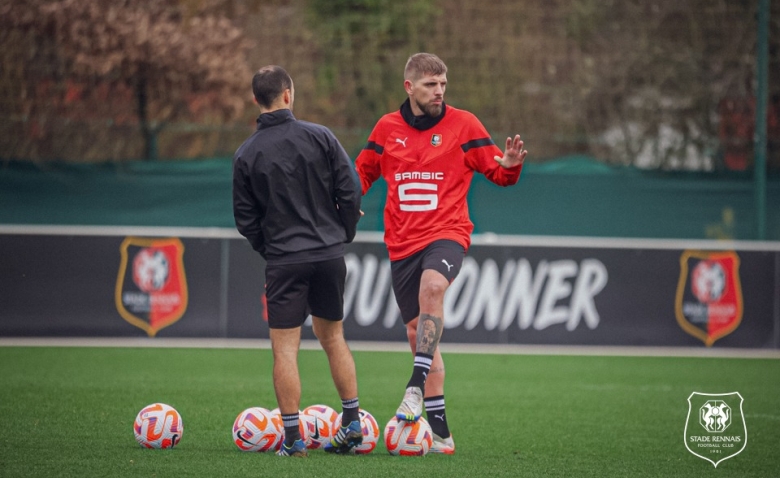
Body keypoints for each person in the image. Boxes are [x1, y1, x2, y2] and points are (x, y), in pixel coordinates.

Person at [354, 53, 527, 455]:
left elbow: (498, 173)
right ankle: (442, 436)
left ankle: (413, 388)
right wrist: (346, 202)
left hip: (447, 234)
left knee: (434, 288)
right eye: (431, 85)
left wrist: (513, 166)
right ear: (409, 87)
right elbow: (362, 172)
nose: (439, 91)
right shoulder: (387, 128)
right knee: (418, 337)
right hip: (401, 245)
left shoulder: (464, 124)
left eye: (443, 84)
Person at [233, 65, 363, 457]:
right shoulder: (320, 135)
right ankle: (352, 424)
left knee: (285, 350)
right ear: (288, 94)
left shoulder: (246, 154)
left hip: (285, 260)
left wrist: (271, 249)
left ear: (257, 101)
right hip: (328, 254)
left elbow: (245, 219)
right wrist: (342, 233)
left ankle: (293, 439)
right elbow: (351, 189)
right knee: (334, 338)